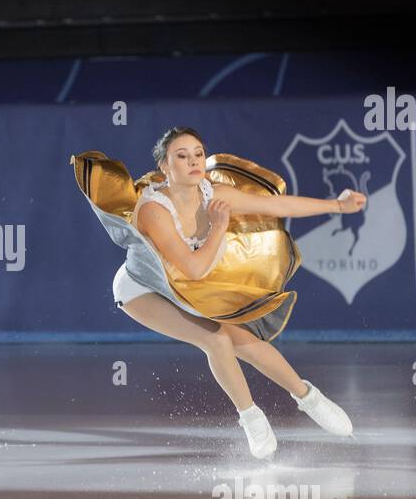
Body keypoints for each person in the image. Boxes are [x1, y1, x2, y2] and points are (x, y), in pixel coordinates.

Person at [73, 126, 365, 458]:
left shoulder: (213, 192)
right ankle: (251, 418)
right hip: (143, 289)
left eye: (198, 153)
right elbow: (194, 268)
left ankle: (309, 398)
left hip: (187, 289)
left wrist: (337, 207)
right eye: (181, 156)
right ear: (165, 167)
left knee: (245, 340)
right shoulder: (154, 210)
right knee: (215, 339)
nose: (193, 161)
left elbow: (274, 205)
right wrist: (219, 227)